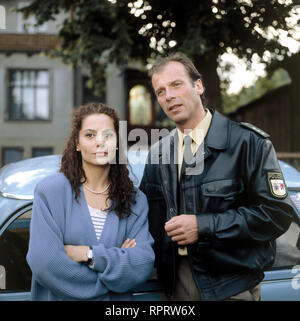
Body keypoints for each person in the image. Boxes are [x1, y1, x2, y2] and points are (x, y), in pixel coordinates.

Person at [140, 52, 296, 301]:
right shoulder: (158, 154)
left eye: (176, 84)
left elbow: (277, 214)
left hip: (232, 286)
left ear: (198, 85)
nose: (168, 96)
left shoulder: (249, 143)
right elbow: (144, 219)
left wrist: (203, 226)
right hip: (174, 286)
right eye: (160, 91)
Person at [27, 102, 155, 301]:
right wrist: (115, 271)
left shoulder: (135, 200)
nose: (100, 142)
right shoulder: (50, 192)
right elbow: (45, 263)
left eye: (108, 135)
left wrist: (90, 254)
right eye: (90, 135)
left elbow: (142, 264)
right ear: (77, 143)